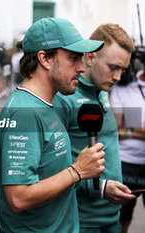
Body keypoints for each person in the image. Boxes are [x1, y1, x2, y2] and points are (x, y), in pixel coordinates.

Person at [0, 17, 106, 233]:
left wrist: (92, 180)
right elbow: (18, 197)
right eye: (74, 58)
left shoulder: (44, 103)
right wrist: (77, 170)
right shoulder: (25, 113)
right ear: (44, 58)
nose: (82, 67)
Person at [53, 23, 137, 233]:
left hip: (112, 218)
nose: (118, 77)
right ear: (90, 58)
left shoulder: (102, 90)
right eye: (113, 67)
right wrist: (100, 188)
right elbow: (51, 168)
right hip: (83, 222)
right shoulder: (64, 98)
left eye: (123, 69)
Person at [110, 53, 145, 233]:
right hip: (127, 164)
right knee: (122, 218)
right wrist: (136, 133)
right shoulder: (124, 89)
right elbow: (114, 131)